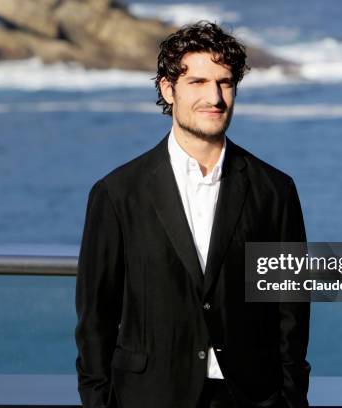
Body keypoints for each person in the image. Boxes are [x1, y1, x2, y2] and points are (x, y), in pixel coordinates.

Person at [75, 21, 310, 408]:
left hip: (251, 398)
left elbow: (291, 312)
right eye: (198, 82)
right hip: (149, 397)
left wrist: (289, 397)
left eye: (225, 82)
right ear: (168, 90)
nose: (214, 97)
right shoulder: (117, 193)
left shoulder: (275, 191)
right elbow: (95, 319)